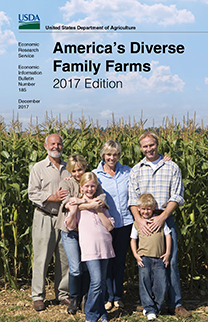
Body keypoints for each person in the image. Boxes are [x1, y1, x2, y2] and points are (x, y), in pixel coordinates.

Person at [128, 131, 192, 318]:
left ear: (157, 144)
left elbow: (177, 195)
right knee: (146, 262)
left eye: (151, 145)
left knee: (169, 260)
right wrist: (139, 220)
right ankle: (150, 303)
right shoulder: (136, 169)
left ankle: (175, 304)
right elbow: (132, 199)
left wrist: (162, 217)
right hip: (143, 220)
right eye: (145, 146)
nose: (149, 149)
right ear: (140, 148)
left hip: (164, 217)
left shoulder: (171, 167)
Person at [55, 154, 107, 315]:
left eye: (81, 169)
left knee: (85, 267)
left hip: (88, 232)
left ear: (85, 167)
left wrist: (79, 203)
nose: (78, 173)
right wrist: (89, 204)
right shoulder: (66, 182)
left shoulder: (92, 181)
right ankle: (74, 298)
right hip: (70, 231)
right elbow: (68, 204)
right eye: (74, 170)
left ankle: (85, 297)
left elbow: (101, 200)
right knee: (75, 268)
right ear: (70, 170)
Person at [28, 134, 71, 311]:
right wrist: (51, 197)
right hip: (44, 216)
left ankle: (62, 294)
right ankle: (38, 296)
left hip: (65, 218)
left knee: (64, 258)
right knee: (41, 258)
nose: (56, 146)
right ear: (46, 146)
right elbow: (32, 193)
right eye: (52, 144)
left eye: (59, 144)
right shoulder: (38, 168)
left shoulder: (69, 168)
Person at [65, 172, 115, 322]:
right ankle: (91, 314)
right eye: (86, 186)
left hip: (105, 246)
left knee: (102, 283)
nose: (90, 189)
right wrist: (73, 211)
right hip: (89, 248)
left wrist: (99, 211)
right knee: (96, 281)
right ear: (81, 187)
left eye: (93, 186)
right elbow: (70, 225)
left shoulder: (101, 204)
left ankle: (102, 312)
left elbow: (109, 226)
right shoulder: (76, 203)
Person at [93, 140, 133, 310]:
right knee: (107, 262)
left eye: (115, 154)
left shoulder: (128, 172)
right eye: (108, 154)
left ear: (119, 155)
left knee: (120, 261)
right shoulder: (96, 174)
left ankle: (117, 296)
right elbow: (81, 183)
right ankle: (108, 297)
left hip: (125, 223)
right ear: (103, 155)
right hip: (106, 224)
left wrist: (165, 159)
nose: (112, 157)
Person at [130, 193, 171, 321]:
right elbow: (133, 240)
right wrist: (136, 254)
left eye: (148, 208)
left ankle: (157, 307)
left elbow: (168, 236)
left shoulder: (159, 221)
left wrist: (168, 253)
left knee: (161, 284)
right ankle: (149, 309)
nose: (146, 211)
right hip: (144, 259)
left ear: (154, 208)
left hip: (159, 258)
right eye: (143, 209)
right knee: (145, 283)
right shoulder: (137, 223)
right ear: (138, 209)